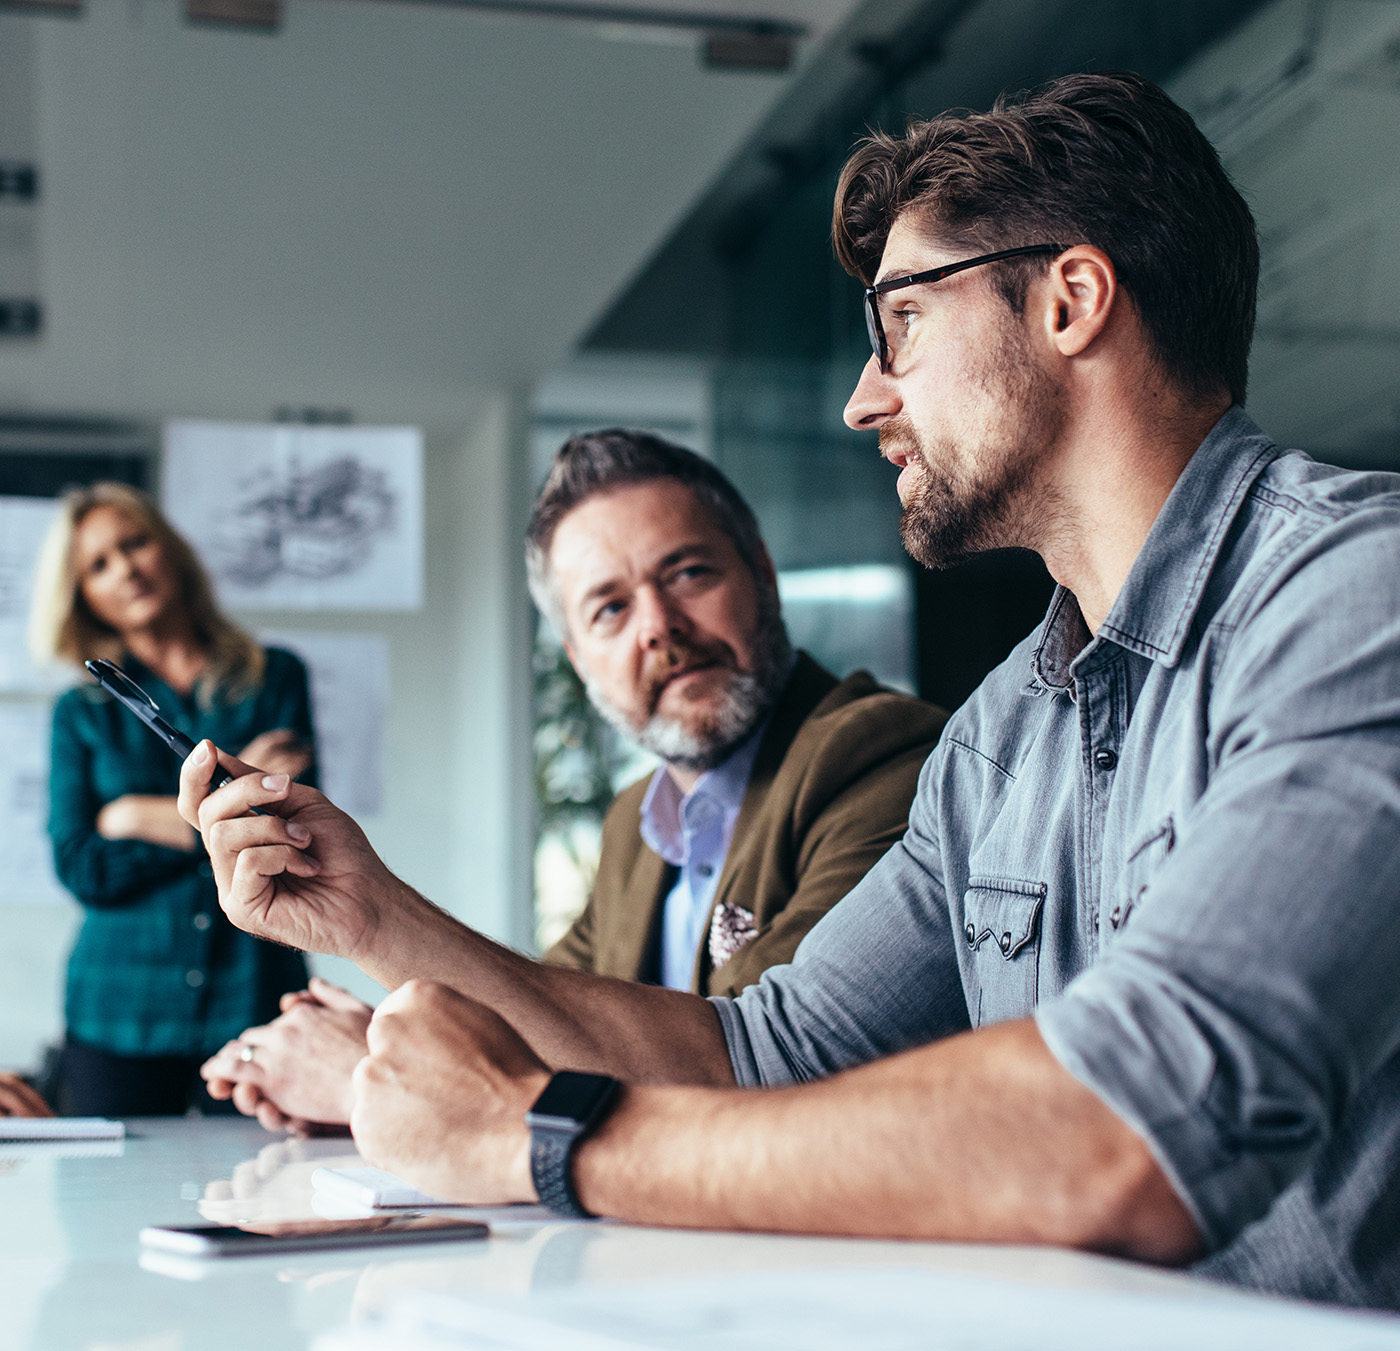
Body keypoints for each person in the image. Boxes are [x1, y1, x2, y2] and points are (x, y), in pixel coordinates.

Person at [177, 70, 1400, 1307]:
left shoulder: (1357, 596)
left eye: (901, 326)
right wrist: (371, 915)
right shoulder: (1002, 734)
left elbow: (1130, 1127)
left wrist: (535, 1136)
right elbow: (763, 1053)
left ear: (1071, 301)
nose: (863, 396)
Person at [200, 432, 948, 1131]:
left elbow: (754, 1074)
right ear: (578, 656)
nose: (658, 626)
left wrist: (373, 1074)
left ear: (763, 573)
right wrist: (390, 1034)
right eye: (611, 608)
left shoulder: (881, 755)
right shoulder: (637, 822)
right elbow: (545, 1019)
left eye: (688, 573)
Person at [31, 482, 318, 1116]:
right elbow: (82, 865)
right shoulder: (80, 714)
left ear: (170, 551)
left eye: (135, 544)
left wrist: (131, 817)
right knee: (109, 1208)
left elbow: (291, 830)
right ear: (83, 596)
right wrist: (224, 814)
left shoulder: (276, 678)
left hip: (252, 995)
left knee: (265, 1194)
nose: (126, 569)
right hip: (119, 1009)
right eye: (98, 565)